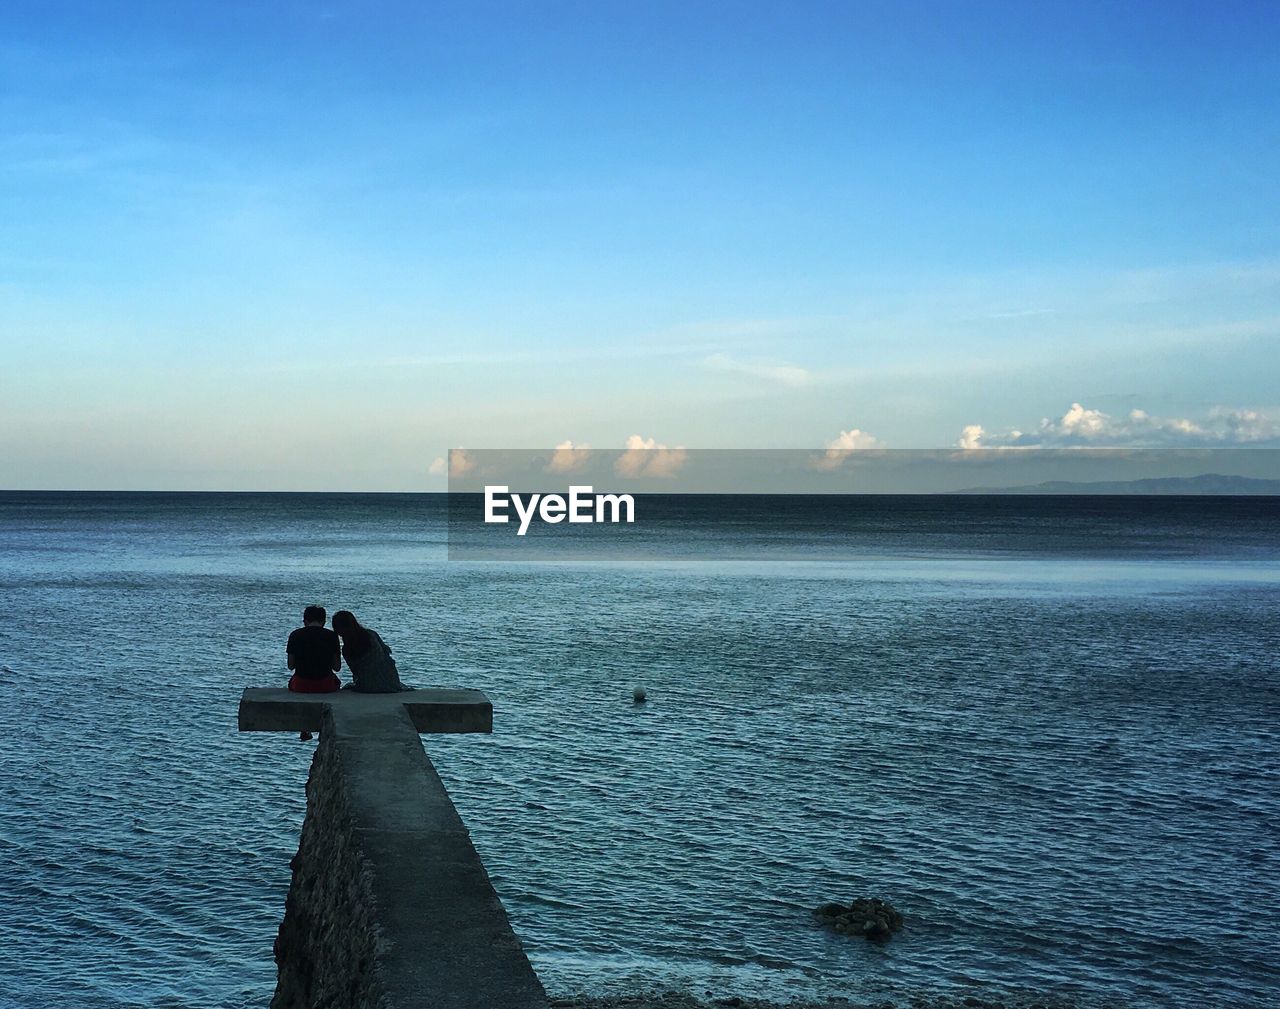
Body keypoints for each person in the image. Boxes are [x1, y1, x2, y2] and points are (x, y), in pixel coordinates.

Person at [331, 610, 409, 693]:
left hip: (367, 686)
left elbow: (356, 672)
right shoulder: (372, 634)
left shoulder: (347, 649)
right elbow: (387, 653)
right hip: (391, 681)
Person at [286, 605, 342, 693]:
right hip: (326, 685)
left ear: (305, 621)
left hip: (300, 685)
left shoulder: (295, 635)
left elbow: (291, 666)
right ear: (323, 622)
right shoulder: (332, 636)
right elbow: (337, 667)